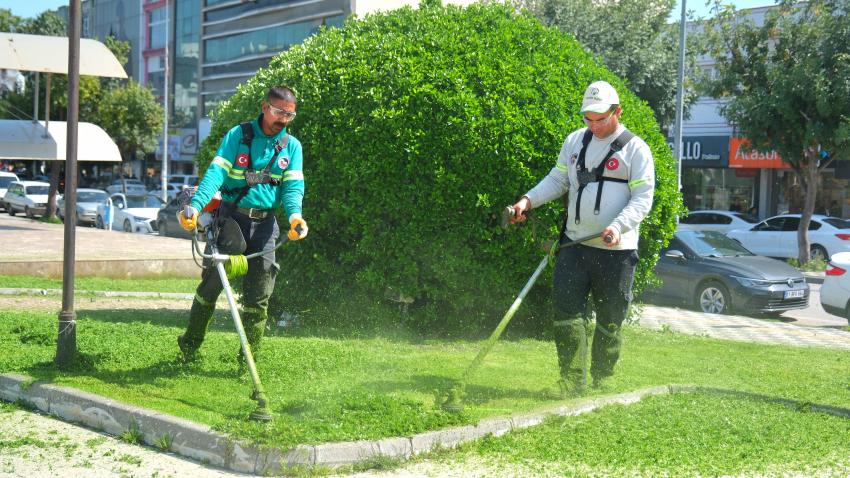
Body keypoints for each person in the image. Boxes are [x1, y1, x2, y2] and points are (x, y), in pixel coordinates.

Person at [509, 80, 655, 397]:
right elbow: (558, 180)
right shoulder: (575, 141)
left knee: (610, 317)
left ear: (617, 112)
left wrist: (618, 226)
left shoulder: (636, 150)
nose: (594, 125)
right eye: (588, 118)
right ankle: (572, 380)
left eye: (600, 119)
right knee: (566, 312)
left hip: (617, 251)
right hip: (574, 245)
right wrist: (527, 201)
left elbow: (643, 199)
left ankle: (603, 378)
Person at [177, 85, 308, 362]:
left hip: (266, 226)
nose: (284, 120)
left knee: (259, 298)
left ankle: (247, 360)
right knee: (211, 287)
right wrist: (195, 206)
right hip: (231, 220)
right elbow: (215, 174)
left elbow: (293, 188)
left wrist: (295, 216)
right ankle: (190, 346)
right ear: (265, 107)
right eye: (279, 112)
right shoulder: (239, 135)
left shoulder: (292, 147)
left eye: (289, 115)